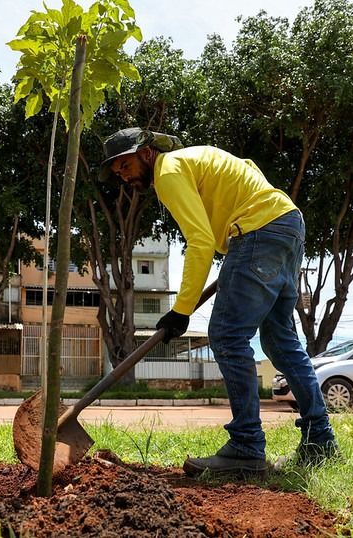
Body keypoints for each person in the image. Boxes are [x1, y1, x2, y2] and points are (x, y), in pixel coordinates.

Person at [99, 127, 339, 476]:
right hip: (287, 224)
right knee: (280, 342)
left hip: (257, 231)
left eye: (125, 165)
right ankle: (321, 441)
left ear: (147, 153)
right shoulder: (197, 158)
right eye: (118, 172)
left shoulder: (167, 171)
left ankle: (246, 447)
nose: (123, 176)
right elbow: (250, 167)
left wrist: (181, 311)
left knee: (226, 336)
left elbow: (199, 241)